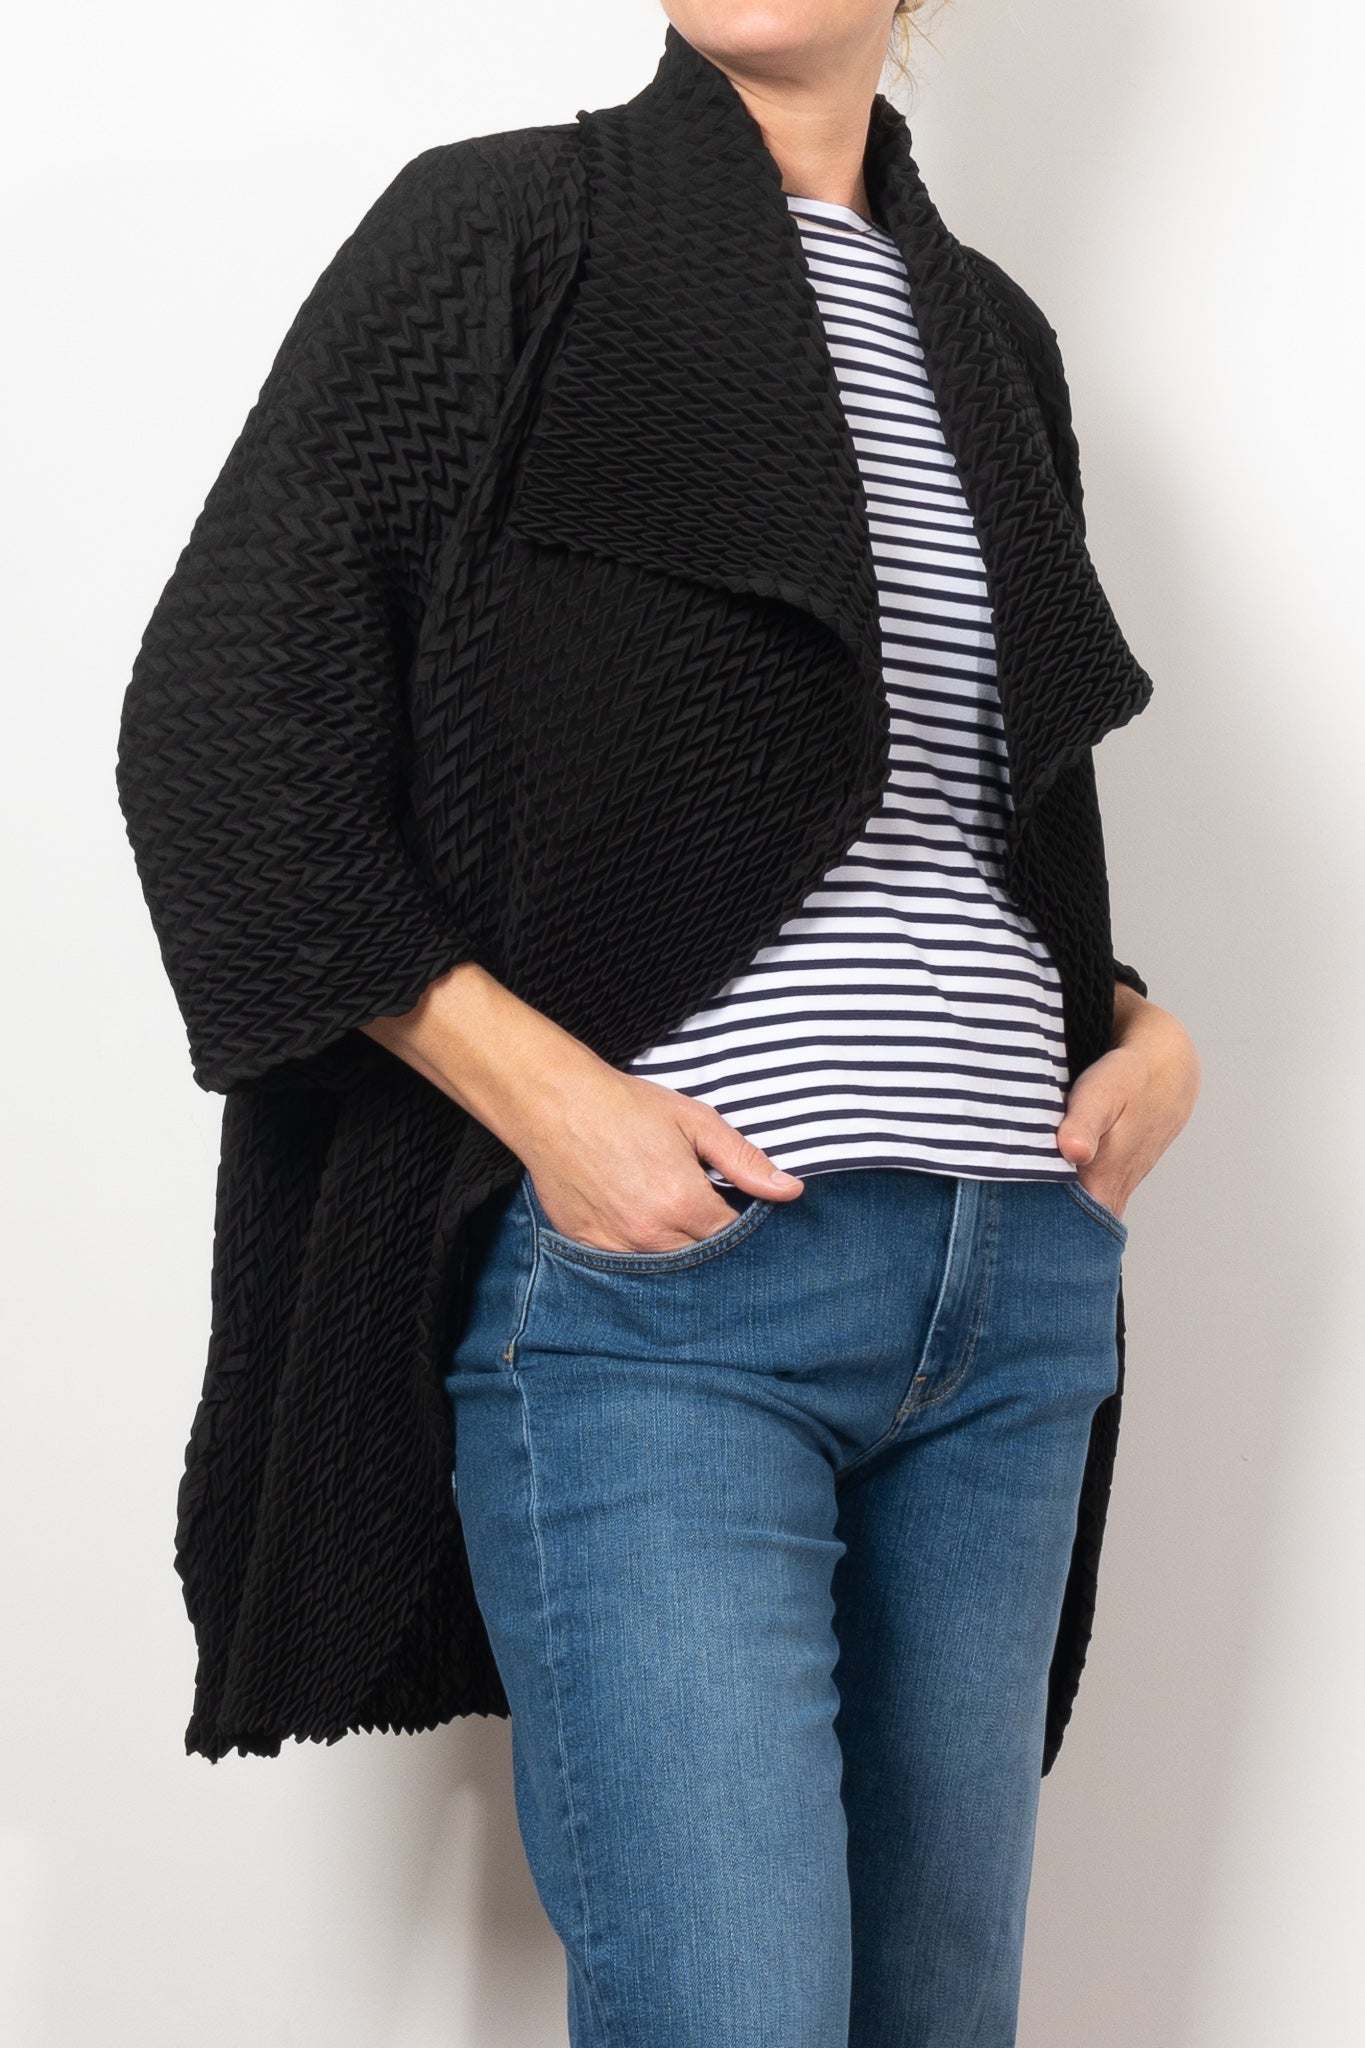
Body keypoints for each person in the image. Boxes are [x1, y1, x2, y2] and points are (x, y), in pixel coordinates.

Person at [117, 5, 1200, 2043]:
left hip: (1015, 1286)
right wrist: (552, 1105)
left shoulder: (990, 335)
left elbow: (963, 819)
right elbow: (224, 730)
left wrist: (1135, 1027)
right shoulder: (507, 234)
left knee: (937, 2013)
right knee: (735, 2011)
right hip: (670, 1291)